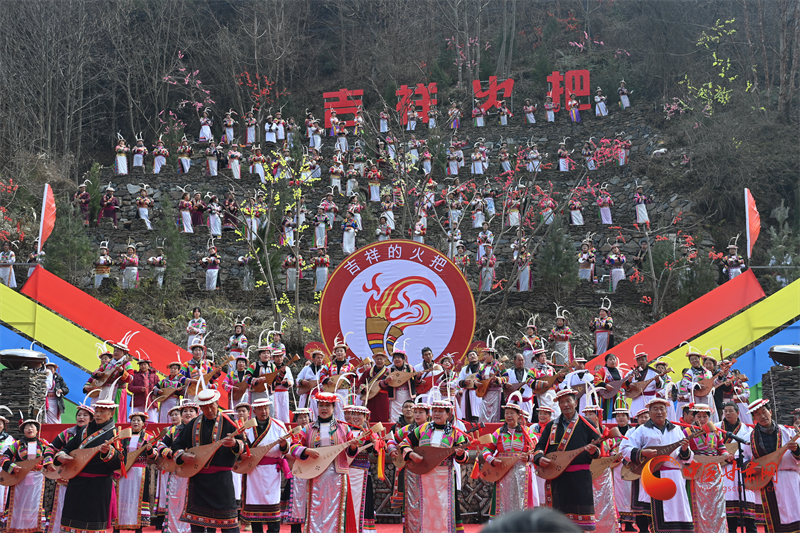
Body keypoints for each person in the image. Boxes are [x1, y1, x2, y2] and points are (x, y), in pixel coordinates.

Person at [171, 388, 246, 533]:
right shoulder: (193, 424)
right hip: (198, 480)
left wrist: (235, 444)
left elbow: (244, 444)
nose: (209, 410)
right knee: (197, 525)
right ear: (200, 408)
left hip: (222, 481)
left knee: (229, 524)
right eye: (205, 407)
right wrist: (182, 455)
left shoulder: (229, 422)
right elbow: (176, 444)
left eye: (212, 406)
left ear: (217, 404)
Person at [289, 392, 360, 533]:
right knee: (316, 510)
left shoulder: (344, 428)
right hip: (315, 475)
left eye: (328, 405)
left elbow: (351, 452)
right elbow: (293, 447)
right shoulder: (308, 429)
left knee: (336, 511)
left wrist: (353, 447)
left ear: (333, 408)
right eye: (321, 405)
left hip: (337, 475)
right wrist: (306, 451)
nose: (324, 408)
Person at [619, 398, 693, 533]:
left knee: (676, 510)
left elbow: (686, 457)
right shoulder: (642, 430)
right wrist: (642, 453)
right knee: (651, 513)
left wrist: (684, 450)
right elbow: (625, 449)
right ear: (649, 412)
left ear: (666, 412)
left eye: (662, 409)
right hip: (651, 474)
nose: (659, 412)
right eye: (655, 409)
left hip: (673, 477)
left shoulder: (676, 430)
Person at [532, 389, 600, 531]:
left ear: (576, 403)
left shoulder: (587, 424)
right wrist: (539, 458)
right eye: (562, 402)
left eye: (568, 401)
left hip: (580, 478)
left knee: (581, 519)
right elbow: (539, 446)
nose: (565, 405)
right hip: (557, 477)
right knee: (558, 520)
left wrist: (594, 451)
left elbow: (598, 449)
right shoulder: (551, 426)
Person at [53, 398, 124, 533]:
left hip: (98, 486)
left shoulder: (115, 434)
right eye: (96, 411)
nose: (97, 414)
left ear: (111, 413)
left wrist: (108, 453)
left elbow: (119, 463)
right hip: (76, 481)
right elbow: (68, 447)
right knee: (71, 523)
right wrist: (60, 455)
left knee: (93, 525)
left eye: (102, 412)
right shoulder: (84, 430)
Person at [400, 398, 469, 533]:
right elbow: (404, 443)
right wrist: (411, 454)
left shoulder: (455, 432)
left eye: (441, 411)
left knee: (443, 509)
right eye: (435, 411)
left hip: (445, 478)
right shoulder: (422, 428)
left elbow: (464, 457)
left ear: (448, 414)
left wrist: (460, 454)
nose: (436, 414)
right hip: (423, 477)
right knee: (425, 508)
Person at [744, 398, 800, 531]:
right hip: (765, 480)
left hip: (789, 480)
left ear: (770, 412)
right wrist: (750, 467)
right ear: (754, 418)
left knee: (795, 514)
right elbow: (742, 458)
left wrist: (796, 450)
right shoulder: (748, 438)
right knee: (772, 520)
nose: (762, 416)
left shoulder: (788, 432)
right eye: (757, 414)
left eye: (764, 412)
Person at [482, 394, 539, 517]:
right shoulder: (498, 432)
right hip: (502, 471)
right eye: (506, 413)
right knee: (503, 500)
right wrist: (492, 460)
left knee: (521, 500)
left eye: (512, 413)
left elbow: (537, 451)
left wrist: (529, 458)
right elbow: (486, 449)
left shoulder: (527, 432)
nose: (509, 416)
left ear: (518, 415)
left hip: (522, 471)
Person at [240, 397, 290, 533]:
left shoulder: (278, 425)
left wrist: (283, 445)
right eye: (260, 409)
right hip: (253, 471)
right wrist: (242, 454)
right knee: (255, 507)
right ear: (254, 411)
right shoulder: (247, 427)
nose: (264, 411)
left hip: (272, 471)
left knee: (272, 505)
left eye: (266, 408)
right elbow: (241, 447)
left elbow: (287, 449)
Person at [42, 404, 93, 533]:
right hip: (65, 477)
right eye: (79, 415)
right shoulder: (67, 433)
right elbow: (51, 447)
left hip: (86, 478)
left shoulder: (95, 435)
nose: (81, 417)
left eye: (85, 415)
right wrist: (49, 462)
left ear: (92, 419)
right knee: (63, 506)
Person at [684, 403, 730, 533]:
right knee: (699, 502)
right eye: (699, 416)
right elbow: (684, 451)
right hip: (697, 469)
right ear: (694, 417)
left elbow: (721, 446)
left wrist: (725, 454)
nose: (702, 419)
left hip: (714, 471)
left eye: (705, 416)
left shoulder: (715, 431)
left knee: (716, 503)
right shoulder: (687, 431)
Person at [0, 413, 48, 533]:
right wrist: (12, 466)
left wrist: (47, 465)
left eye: (32, 426)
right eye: (26, 427)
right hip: (20, 478)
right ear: (23, 431)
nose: (29, 429)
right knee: (18, 502)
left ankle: (35, 528)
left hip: (38, 480)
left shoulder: (44, 444)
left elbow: (51, 455)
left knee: (35, 503)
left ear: (37, 430)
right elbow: (4, 457)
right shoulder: (17, 444)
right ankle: (16, 527)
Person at [157, 400, 198, 533]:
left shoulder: (201, 429)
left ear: (197, 413)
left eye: (191, 411)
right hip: (177, 471)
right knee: (175, 500)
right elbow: (160, 446)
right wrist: (170, 453)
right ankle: (173, 529)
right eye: (185, 411)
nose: (188, 413)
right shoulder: (173, 430)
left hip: (197, 471)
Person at [114, 411, 156, 533]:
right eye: (133, 420)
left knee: (139, 498)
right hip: (125, 469)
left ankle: (139, 527)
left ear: (143, 423)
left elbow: (154, 455)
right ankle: (117, 527)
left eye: (138, 420)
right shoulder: (124, 435)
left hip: (140, 471)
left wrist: (149, 450)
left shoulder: (149, 437)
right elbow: (117, 450)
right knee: (122, 496)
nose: (135, 422)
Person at [610, 404, 636, 531]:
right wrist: (613, 453)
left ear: (628, 417)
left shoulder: (633, 432)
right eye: (618, 416)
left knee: (630, 491)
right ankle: (618, 522)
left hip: (630, 465)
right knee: (617, 492)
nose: (620, 418)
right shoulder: (612, 432)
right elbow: (607, 446)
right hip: (616, 466)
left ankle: (630, 523)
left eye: (623, 416)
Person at [623, 350, 662, 420]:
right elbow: (625, 387)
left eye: (643, 360)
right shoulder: (631, 373)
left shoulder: (653, 372)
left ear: (646, 361)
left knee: (652, 417)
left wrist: (657, 381)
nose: (641, 361)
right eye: (639, 360)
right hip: (637, 399)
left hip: (650, 399)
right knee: (636, 417)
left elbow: (660, 386)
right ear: (637, 362)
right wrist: (629, 381)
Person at [477, 340, 507, 423]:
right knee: (485, 412)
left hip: (496, 393)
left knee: (495, 413)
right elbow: (477, 377)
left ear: (491, 355)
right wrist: (476, 382)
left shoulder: (499, 365)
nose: (484, 357)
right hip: (485, 392)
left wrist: (497, 379)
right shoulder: (483, 367)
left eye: (485, 354)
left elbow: (506, 377)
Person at [356, 351, 391, 423]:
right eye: (377, 359)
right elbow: (360, 382)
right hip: (370, 397)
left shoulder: (388, 372)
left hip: (383, 398)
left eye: (381, 359)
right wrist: (364, 388)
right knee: (370, 417)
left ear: (385, 361)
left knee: (383, 417)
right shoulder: (368, 371)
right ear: (374, 361)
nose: (379, 361)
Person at [156, 357, 187, 423]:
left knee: (174, 415)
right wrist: (158, 391)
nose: (173, 370)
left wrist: (180, 390)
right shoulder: (164, 381)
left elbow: (185, 391)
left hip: (175, 401)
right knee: (163, 416)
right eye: (171, 368)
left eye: (175, 369)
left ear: (178, 370)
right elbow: (155, 388)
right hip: (164, 401)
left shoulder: (180, 381)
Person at [129, 354, 159, 421]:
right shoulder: (135, 375)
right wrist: (140, 389)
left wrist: (156, 390)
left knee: (151, 420)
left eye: (145, 364)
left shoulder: (155, 376)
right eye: (141, 365)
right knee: (135, 419)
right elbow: (130, 387)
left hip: (151, 401)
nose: (143, 366)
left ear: (148, 366)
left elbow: (159, 387)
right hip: (138, 401)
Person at [457, 350, 483, 423]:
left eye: (473, 354)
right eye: (470, 355)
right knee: (468, 412)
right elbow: (459, 381)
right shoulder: (464, 369)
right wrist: (464, 382)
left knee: (480, 411)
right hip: (467, 393)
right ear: (468, 359)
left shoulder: (483, 367)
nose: (472, 356)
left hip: (480, 392)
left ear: (477, 356)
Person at [269, 349, 294, 423]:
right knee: (275, 411)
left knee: (284, 412)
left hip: (284, 393)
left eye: (280, 356)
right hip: (274, 393)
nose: (279, 358)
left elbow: (291, 381)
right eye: (277, 357)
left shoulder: (287, 369)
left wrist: (286, 383)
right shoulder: (270, 368)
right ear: (273, 358)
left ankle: (285, 427)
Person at [296, 350, 324, 416]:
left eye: (321, 358)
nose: (320, 359)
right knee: (305, 412)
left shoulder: (324, 369)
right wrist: (301, 381)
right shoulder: (306, 368)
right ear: (313, 359)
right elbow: (298, 378)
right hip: (306, 392)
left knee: (318, 412)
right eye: (318, 358)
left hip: (319, 393)